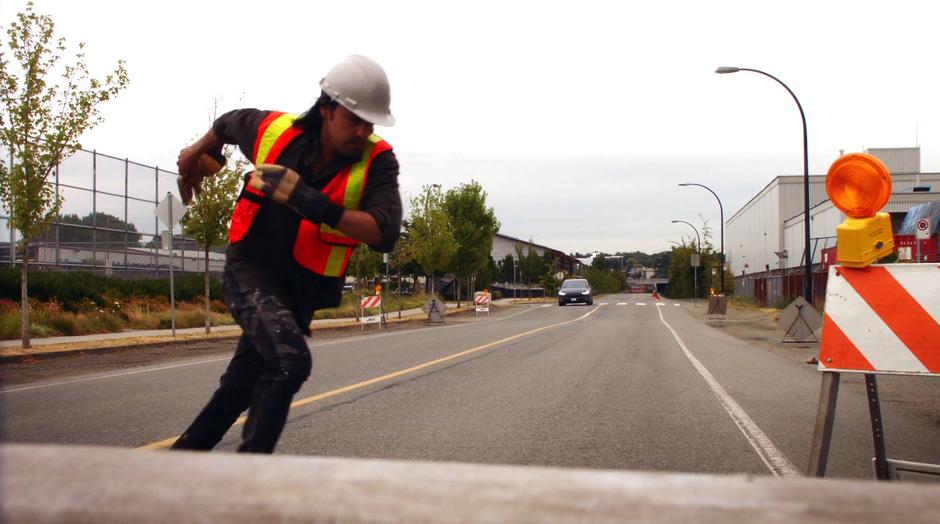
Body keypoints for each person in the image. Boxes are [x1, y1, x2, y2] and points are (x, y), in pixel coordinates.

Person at [171, 55, 401, 453]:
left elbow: (385, 233)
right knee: (290, 361)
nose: (362, 132)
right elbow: (227, 122)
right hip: (252, 268)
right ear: (326, 109)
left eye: (369, 124)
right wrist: (194, 154)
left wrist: (312, 202)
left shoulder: (378, 160)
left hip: (301, 290)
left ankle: (175, 468)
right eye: (354, 120)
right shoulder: (274, 130)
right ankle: (251, 482)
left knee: (240, 387)